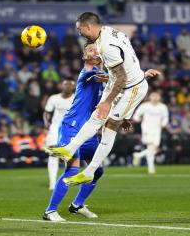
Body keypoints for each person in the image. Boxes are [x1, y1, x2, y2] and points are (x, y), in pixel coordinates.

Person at [43, 44, 161, 222]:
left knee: (97, 170)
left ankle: (77, 205)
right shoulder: (88, 74)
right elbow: (115, 79)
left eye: (97, 49)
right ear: (84, 56)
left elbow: (118, 90)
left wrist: (126, 117)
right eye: (90, 50)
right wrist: (142, 74)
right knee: (72, 168)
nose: (96, 51)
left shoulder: (106, 79)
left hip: (89, 131)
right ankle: (50, 211)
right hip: (72, 127)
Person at [47, 12, 149, 186]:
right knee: (97, 117)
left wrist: (109, 103)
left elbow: (123, 77)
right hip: (119, 83)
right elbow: (125, 60)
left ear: (88, 27)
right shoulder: (109, 32)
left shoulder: (107, 45)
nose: (79, 33)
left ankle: (89, 171)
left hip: (131, 88)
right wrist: (110, 76)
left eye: (80, 30)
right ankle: (69, 149)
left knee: (110, 126)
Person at [43, 78, 75, 190]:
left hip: (70, 130)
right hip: (55, 129)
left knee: (69, 155)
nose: (68, 86)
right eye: (66, 83)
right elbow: (47, 112)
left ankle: (68, 180)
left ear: (74, 86)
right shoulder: (54, 98)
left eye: (70, 84)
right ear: (62, 85)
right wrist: (46, 124)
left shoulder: (77, 98)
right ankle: (52, 183)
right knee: (53, 154)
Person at [132, 91, 169, 174]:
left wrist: (164, 123)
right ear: (150, 97)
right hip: (147, 129)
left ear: (159, 97)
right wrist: (139, 119)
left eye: (157, 96)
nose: (155, 97)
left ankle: (138, 155)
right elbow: (136, 116)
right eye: (153, 96)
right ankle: (151, 168)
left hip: (157, 130)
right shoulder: (144, 106)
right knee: (151, 148)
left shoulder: (163, 107)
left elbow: (165, 117)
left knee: (153, 149)